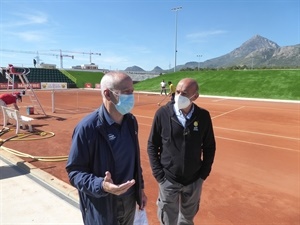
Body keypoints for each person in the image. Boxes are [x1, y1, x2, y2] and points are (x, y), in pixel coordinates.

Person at [66, 71, 147, 225]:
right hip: (102, 206)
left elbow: (134, 161)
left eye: (132, 91)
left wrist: (140, 189)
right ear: (108, 94)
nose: (131, 97)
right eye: (126, 92)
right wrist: (102, 185)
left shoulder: (131, 122)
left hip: (129, 202)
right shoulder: (87, 128)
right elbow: (74, 172)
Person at [147, 78, 216, 225]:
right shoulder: (162, 114)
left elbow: (209, 146)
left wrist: (203, 175)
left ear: (195, 96)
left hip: (194, 180)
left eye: (184, 93)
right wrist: (159, 175)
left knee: (187, 219)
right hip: (168, 179)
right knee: (167, 219)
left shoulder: (203, 116)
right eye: (177, 92)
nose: (178, 96)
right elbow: (152, 145)